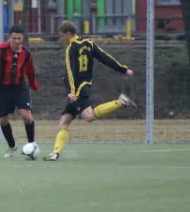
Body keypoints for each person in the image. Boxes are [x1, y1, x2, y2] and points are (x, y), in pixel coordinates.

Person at [43, 21, 136, 161]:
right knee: (65, 121)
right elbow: (105, 58)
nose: (61, 39)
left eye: (62, 36)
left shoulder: (71, 48)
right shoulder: (89, 43)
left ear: (68, 34)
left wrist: (71, 91)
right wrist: (123, 69)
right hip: (85, 87)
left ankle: (120, 102)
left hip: (78, 90)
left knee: (88, 116)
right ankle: (55, 153)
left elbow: (70, 72)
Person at [0, 25, 39, 158]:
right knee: (2, 120)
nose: (17, 41)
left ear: (23, 38)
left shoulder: (27, 54)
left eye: (19, 38)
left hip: (19, 87)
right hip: (1, 88)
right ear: (9, 38)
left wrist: (33, 85)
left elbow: (30, 71)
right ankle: (12, 146)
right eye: (14, 38)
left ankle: (32, 144)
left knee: (27, 116)